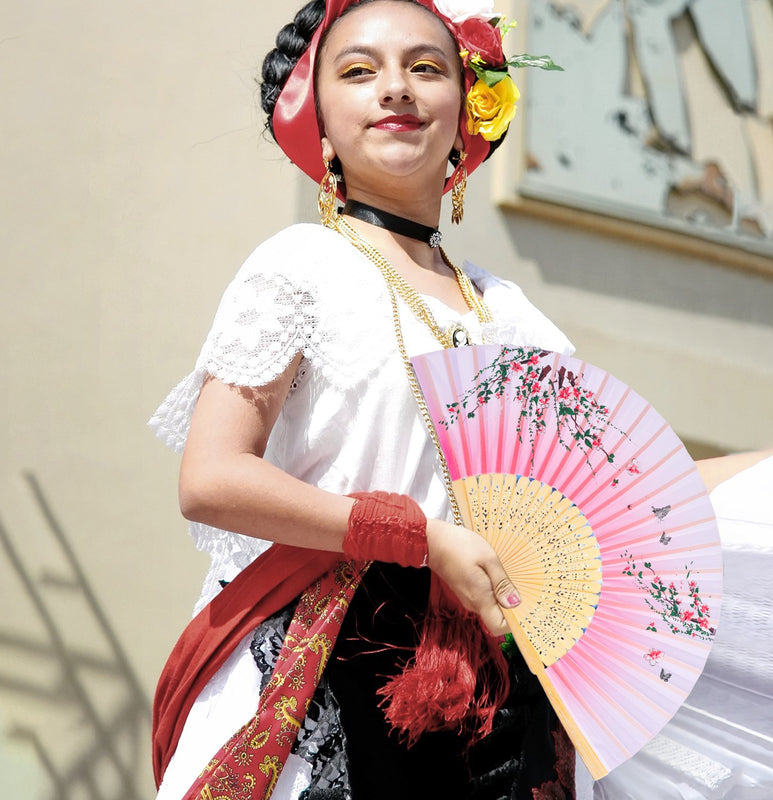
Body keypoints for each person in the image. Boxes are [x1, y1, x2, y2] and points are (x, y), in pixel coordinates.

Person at [150, 1, 579, 799]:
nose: (396, 90)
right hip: (322, 664)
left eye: (426, 67)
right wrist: (416, 535)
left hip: (482, 700)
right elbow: (210, 479)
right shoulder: (300, 265)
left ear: (467, 110)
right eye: (359, 71)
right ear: (317, 116)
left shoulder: (517, 317)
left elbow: (594, 506)